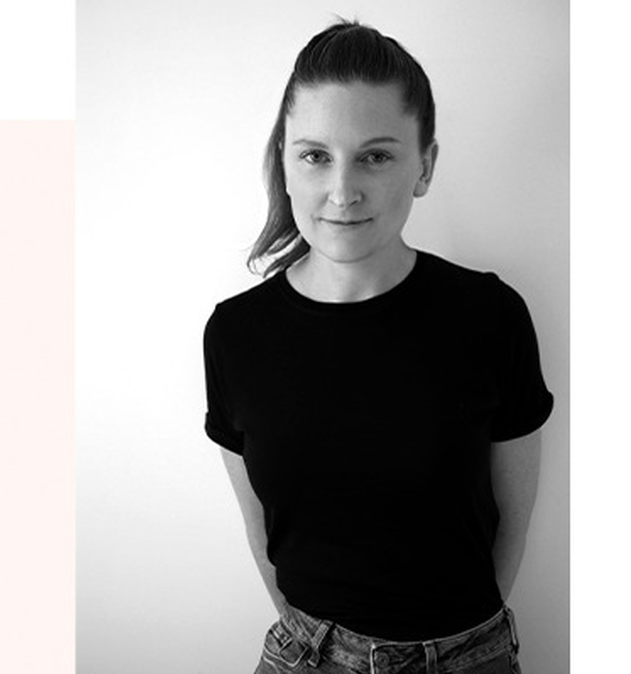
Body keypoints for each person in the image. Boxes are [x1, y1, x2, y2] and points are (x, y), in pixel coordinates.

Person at [203, 19, 554, 674]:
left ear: (425, 165)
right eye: (315, 156)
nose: (342, 192)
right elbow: (263, 529)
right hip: (305, 654)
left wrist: (453, 648)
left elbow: (512, 517)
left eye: (375, 156)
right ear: (283, 162)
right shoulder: (234, 335)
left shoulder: (491, 317)